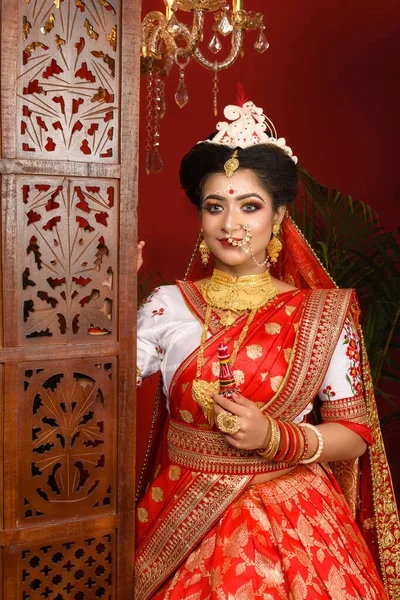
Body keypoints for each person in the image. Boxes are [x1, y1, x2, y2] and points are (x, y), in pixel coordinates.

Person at [134, 101, 399, 600]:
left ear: (278, 215)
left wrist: (276, 437)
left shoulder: (322, 315)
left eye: (249, 206)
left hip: (291, 512)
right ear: (201, 216)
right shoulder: (169, 305)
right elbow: (98, 386)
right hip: (181, 511)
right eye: (215, 206)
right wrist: (107, 293)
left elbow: (355, 433)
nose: (230, 224)